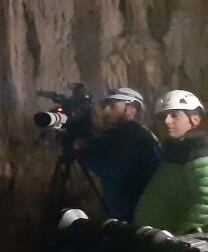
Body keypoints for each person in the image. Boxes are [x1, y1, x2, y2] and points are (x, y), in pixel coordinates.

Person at [75, 87, 160, 221]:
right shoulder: (119, 135)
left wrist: (83, 152)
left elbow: (112, 169)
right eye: (105, 105)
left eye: (112, 106)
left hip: (134, 211)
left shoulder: (135, 136)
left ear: (131, 108)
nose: (106, 110)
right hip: (122, 208)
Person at [133, 90, 208, 235]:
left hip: (183, 248)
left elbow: (206, 201)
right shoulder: (175, 153)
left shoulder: (200, 153)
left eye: (174, 115)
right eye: (163, 117)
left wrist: (187, 239)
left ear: (195, 120)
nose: (167, 121)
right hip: (160, 241)